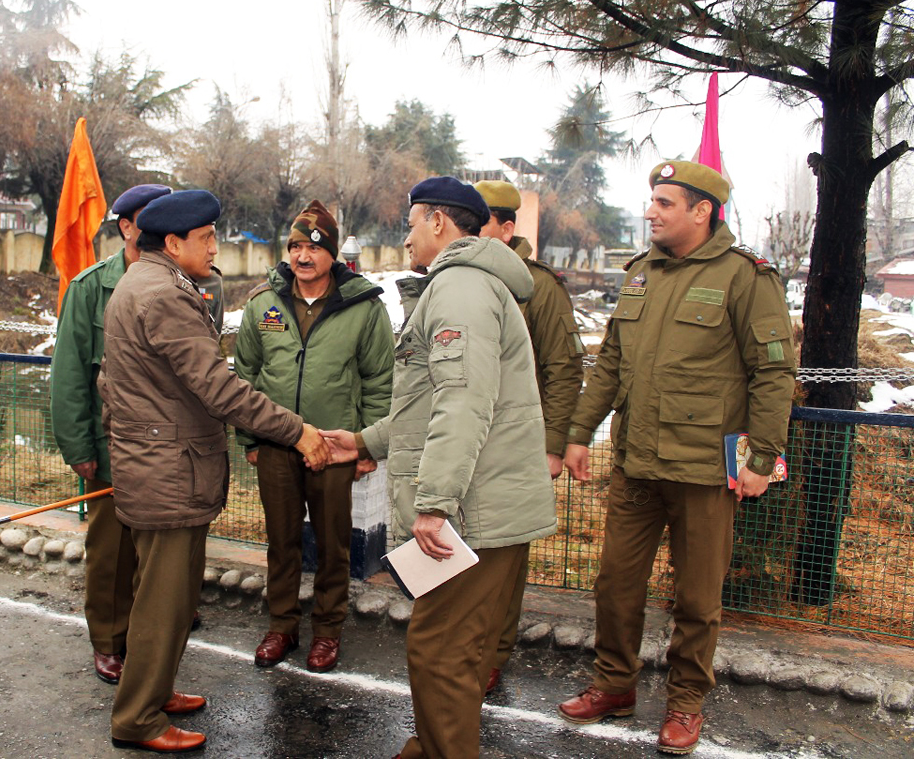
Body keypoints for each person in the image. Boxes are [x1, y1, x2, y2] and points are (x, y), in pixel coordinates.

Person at [557, 161, 796, 756]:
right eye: (652, 201)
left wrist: (762, 458)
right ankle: (614, 685)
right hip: (637, 462)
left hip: (703, 472)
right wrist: (580, 431)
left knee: (696, 596)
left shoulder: (747, 278)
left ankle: (686, 703)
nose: (651, 212)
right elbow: (611, 361)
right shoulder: (641, 274)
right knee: (614, 583)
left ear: (701, 211)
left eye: (665, 202)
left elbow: (773, 374)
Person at [321, 177, 557, 759]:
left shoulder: (459, 288)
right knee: (452, 646)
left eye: (411, 223)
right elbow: (426, 401)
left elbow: (464, 401)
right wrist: (364, 441)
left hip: (470, 509)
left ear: (439, 224)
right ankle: (430, 746)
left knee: (442, 650)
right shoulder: (464, 285)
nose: (405, 238)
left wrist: (435, 504)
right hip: (477, 501)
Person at [98, 189, 330, 753]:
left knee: (169, 595)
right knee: (162, 600)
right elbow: (217, 386)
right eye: (206, 239)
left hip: (162, 464)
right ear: (173, 243)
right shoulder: (164, 295)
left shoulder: (147, 281)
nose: (214, 247)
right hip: (168, 469)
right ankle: (138, 718)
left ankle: (151, 689)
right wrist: (295, 429)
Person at [234, 199, 394, 673]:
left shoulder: (362, 307)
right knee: (280, 542)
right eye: (294, 247)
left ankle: (327, 632)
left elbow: (379, 380)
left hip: (333, 447)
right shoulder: (264, 303)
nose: (302, 257)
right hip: (277, 444)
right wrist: (250, 440)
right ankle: (280, 627)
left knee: (332, 545)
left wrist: (366, 446)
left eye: (313, 247)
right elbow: (245, 375)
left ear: (333, 254)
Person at [51, 183, 172, 685]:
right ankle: (109, 638)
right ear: (127, 227)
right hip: (111, 446)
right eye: (153, 219)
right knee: (111, 553)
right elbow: (70, 375)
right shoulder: (90, 288)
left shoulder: (190, 282)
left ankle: (154, 633)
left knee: (162, 550)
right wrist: (78, 447)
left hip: (167, 446)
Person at [474, 179, 585, 695]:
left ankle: (492, 654)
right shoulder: (457, 279)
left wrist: (553, 446)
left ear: (507, 228)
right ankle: (464, 646)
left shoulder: (537, 286)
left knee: (504, 558)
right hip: (466, 440)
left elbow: (564, 370)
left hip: (518, 443)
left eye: (481, 224)